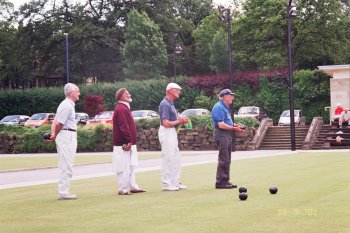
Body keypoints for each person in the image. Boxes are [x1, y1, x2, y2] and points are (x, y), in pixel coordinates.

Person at [47, 83, 80, 200]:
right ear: (71, 93)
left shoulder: (68, 105)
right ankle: (63, 192)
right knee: (66, 164)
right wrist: (54, 135)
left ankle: (64, 190)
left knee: (67, 163)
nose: (79, 93)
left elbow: (57, 121)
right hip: (66, 135)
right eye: (77, 91)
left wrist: (54, 135)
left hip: (68, 134)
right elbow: (59, 123)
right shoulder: (66, 105)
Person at [112, 88, 145, 195]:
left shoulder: (124, 107)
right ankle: (122, 188)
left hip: (129, 142)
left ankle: (133, 186)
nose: (129, 95)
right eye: (127, 94)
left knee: (131, 166)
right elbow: (123, 126)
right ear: (121, 96)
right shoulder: (121, 109)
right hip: (124, 143)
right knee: (124, 166)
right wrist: (128, 140)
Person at [158, 83, 189, 191]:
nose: (179, 92)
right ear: (171, 90)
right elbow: (165, 122)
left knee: (176, 158)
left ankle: (175, 182)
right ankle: (166, 184)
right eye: (177, 90)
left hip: (171, 132)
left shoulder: (170, 103)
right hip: (166, 132)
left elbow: (172, 120)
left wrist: (180, 119)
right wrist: (179, 121)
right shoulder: (165, 104)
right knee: (168, 158)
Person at [211, 89, 244, 189]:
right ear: (225, 96)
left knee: (227, 158)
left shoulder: (224, 107)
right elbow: (221, 125)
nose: (233, 98)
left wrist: (235, 125)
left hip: (227, 134)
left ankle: (225, 180)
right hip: (222, 134)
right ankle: (220, 182)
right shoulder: (219, 107)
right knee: (224, 158)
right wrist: (235, 128)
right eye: (231, 95)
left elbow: (227, 122)